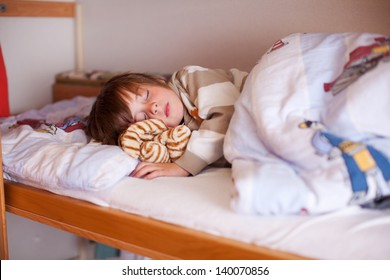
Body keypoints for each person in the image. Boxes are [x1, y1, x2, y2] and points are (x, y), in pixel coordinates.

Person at [86, 65, 248, 179]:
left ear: (158, 81)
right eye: (142, 118)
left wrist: (183, 167)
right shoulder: (170, 141)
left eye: (146, 95)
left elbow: (227, 114)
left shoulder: (189, 78)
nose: (153, 108)